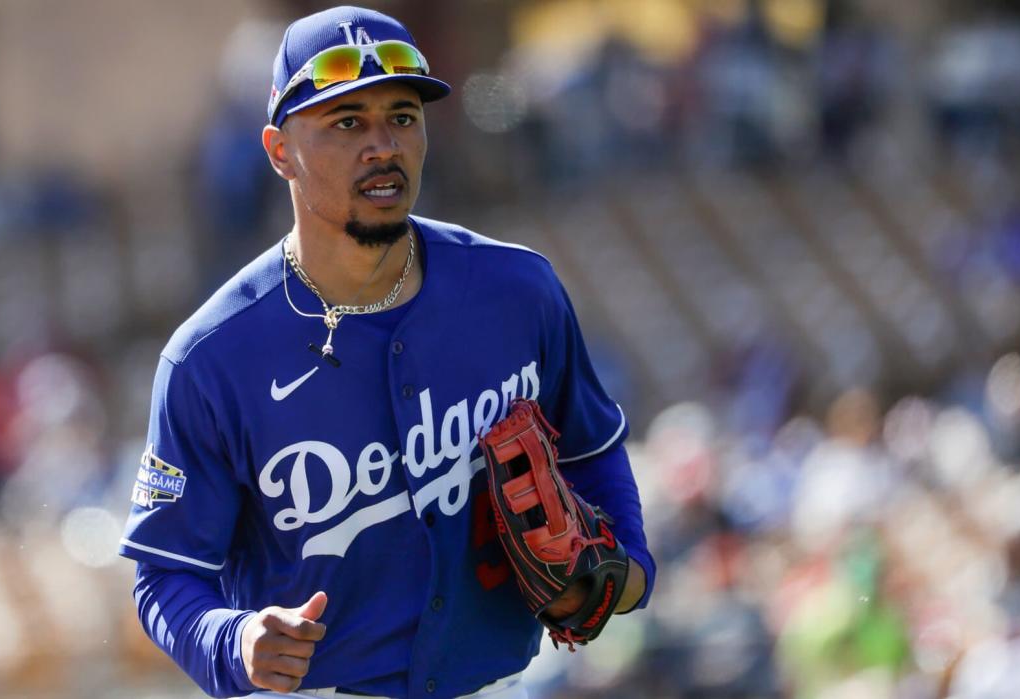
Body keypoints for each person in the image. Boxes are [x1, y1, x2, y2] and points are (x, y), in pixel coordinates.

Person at [119, 7, 656, 698]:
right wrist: (232, 638)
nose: (383, 145)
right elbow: (164, 573)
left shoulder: (518, 290)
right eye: (347, 122)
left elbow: (592, 448)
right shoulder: (210, 358)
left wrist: (632, 568)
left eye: (402, 116)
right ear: (280, 150)